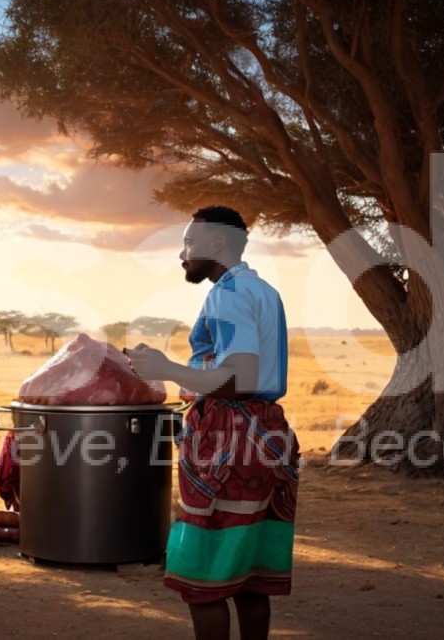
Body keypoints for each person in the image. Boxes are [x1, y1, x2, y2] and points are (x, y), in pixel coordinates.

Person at [125, 205, 299, 640]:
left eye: (188, 243)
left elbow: (239, 379)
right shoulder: (264, 290)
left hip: (230, 435)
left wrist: (168, 368)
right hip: (268, 433)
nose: (181, 253)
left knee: (203, 580)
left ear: (217, 244)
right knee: (248, 576)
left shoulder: (227, 293)